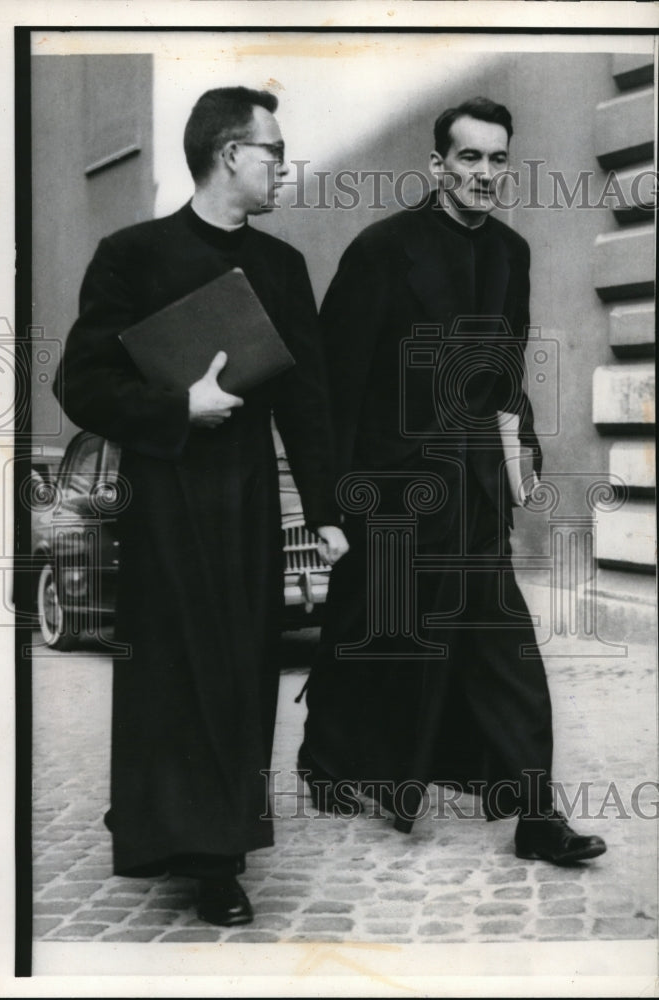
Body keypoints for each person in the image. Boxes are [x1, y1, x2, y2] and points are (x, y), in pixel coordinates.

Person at [53, 86, 348, 926]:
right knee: (167, 677)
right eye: (272, 151)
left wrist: (326, 513)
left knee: (240, 675)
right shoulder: (131, 255)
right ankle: (169, 834)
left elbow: (308, 405)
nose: (282, 166)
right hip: (162, 502)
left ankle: (218, 855)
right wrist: (179, 406)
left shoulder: (282, 269)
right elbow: (80, 383)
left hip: (247, 502)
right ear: (229, 154)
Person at [299, 96, 606, 866]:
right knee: (371, 635)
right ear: (437, 165)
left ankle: (535, 813)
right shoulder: (381, 250)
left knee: (505, 646)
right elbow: (335, 385)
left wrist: (520, 450)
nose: (484, 173)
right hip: (393, 493)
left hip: (473, 493)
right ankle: (326, 761)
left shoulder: (510, 253)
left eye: (497, 158)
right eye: (468, 157)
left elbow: (506, 374)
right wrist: (332, 503)